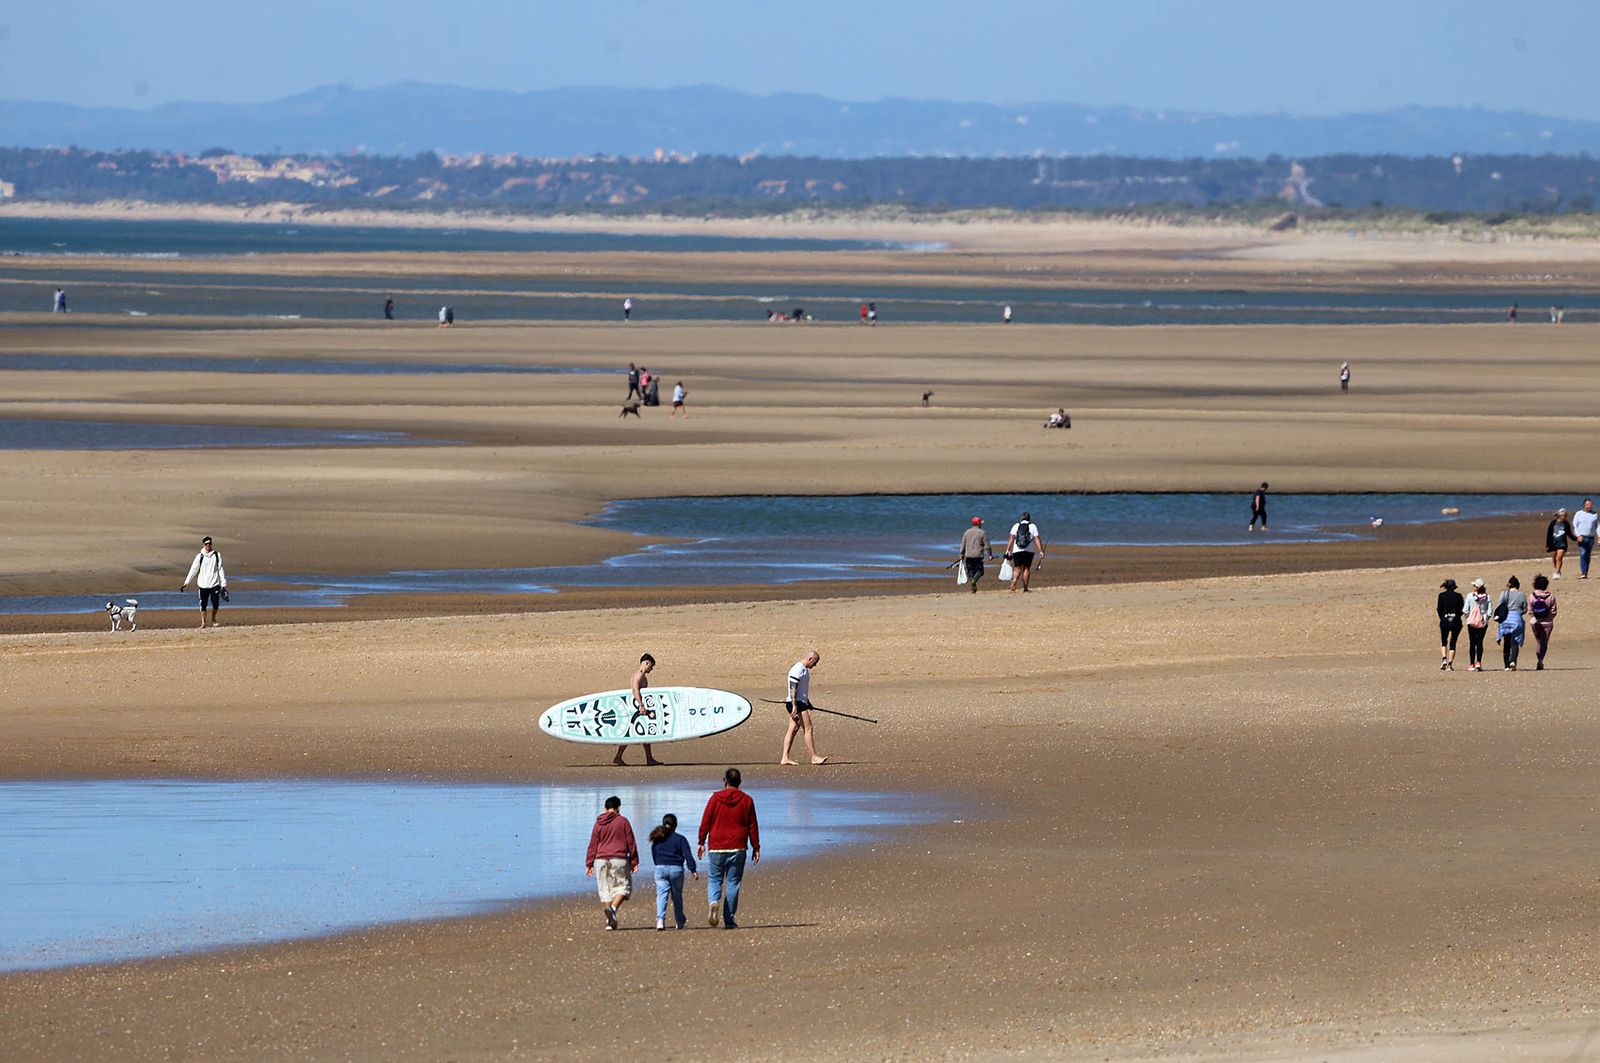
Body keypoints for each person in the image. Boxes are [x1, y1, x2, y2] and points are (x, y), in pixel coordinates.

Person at [697, 768, 760, 929]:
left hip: (717, 846)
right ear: (739, 781)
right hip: (738, 847)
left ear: (725, 780)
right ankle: (729, 919)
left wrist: (701, 842)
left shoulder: (715, 799)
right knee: (733, 883)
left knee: (715, 879)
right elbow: (752, 826)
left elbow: (706, 821)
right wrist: (756, 847)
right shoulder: (747, 800)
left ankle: (713, 901)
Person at [585, 795, 639, 931]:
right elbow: (630, 842)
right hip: (618, 858)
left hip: (600, 859)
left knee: (605, 889)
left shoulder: (598, 823)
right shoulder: (623, 821)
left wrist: (589, 863)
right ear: (618, 807)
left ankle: (610, 921)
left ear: (605, 808)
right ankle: (613, 910)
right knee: (623, 886)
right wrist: (634, 861)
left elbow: (593, 843)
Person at [648, 813, 698, 931]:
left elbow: (654, 854)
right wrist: (693, 870)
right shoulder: (680, 839)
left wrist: (658, 864)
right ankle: (679, 921)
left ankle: (660, 920)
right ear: (675, 826)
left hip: (660, 868)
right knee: (677, 895)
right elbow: (687, 855)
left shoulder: (657, 838)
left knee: (662, 894)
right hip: (676, 869)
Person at [612, 653, 663, 766]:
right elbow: (635, 690)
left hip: (639, 707)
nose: (651, 669)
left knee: (644, 733)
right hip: (636, 708)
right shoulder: (638, 675)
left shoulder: (641, 676)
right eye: (651, 666)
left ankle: (649, 759)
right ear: (646, 663)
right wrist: (641, 705)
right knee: (630, 734)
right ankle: (618, 757)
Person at [780, 650, 828, 765]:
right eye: (815, 662)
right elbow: (793, 688)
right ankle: (814, 757)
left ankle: (785, 758)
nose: (815, 665)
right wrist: (795, 706)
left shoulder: (804, 670)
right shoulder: (798, 669)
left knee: (793, 729)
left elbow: (801, 690)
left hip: (799, 703)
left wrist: (808, 702)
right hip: (796, 704)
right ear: (810, 659)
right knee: (808, 728)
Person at [179, 535, 228, 629]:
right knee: (203, 604)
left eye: (209, 543)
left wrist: (223, 583)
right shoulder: (199, 556)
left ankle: (213, 619)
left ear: (211, 544)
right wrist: (186, 582)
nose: (208, 545)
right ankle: (203, 622)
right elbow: (193, 569)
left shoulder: (217, 555)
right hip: (202, 585)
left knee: (215, 603)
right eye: (206, 544)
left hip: (215, 584)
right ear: (203, 545)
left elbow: (220, 569)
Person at [1005, 511, 1045, 592]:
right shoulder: (1033, 526)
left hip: (1017, 550)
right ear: (1029, 518)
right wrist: (1041, 550)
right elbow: (1037, 539)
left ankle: (1015, 579)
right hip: (1028, 551)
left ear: (1021, 518)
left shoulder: (1016, 526)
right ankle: (1025, 588)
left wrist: (1008, 549)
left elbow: (1011, 538)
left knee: (1017, 568)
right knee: (1026, 568)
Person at [1494, 575, 1527, 671]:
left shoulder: (1504, 593)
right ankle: (1513, 660)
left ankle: (1506, 665)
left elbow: (1499, 606)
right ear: (1518, 585)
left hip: (1505, 619)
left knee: (1506, 642)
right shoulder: (1522, 595)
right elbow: (1525, 609)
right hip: (1517, 619)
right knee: (1515, 642)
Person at [1528, 574, 1557, 670]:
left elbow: (1530, 611)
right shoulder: (1551, 596)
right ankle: (1540, 659)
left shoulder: (1532, 596)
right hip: (1547, 622)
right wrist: (1549, 617)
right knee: (1544, 643)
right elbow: (1554, 611)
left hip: (1535, 622)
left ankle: (1539, 658)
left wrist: (1534, 617)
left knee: (1538, 641)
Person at [957, 517, 993, 594]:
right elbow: (987, 545)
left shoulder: (967, 532)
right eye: (980, 523)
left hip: (968, 555)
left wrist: (961, 554)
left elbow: (963, 544)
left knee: (970, 572)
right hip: (978, 555)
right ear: (978, 523)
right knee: (980, 571)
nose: (981, 524)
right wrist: (990, 554)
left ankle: (973, 584)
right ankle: (974, 581)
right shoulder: (982, 532)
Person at [1464, 577, 1492, 672]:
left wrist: (1469, 617)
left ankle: (1471, 664)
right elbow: (1490, 611)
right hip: (1483, 622)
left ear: (1476, 587)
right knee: (1480, 642)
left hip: (1471, 622)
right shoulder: (1487, 597)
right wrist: (1485, 618)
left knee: (1472, 642)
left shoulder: (1470, 596)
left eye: (1474, 585)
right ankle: (1478, 662)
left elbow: (1465, 610)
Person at [1437, 578, 1464, 671]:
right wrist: (1456, 616)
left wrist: (1443, 617)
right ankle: (1450, 664)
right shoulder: (1458, 596)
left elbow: (1439, 609)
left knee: (1443, 641)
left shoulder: (1441, 595)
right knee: (1453, 642)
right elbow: (1462, 609)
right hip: (1456, 621)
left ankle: (1444, 658)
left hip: (1444, 620)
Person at [1544, 508, 1576, 579]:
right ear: (1559, 516)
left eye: (1566, 515)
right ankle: (1558, 570)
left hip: (1562, 544)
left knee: (1559, 558)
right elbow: (1549, 534)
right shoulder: (1553, 523)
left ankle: (1557, 572)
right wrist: (1548, 545)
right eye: (1564, 515)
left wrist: (1576, 539)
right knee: (1554, 558)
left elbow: (1569, 534)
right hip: (1554, 544)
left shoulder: (1566, 524)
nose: (1565, 517)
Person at [1573, 499, 1598, 579]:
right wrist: (1578, 535)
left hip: (1591, 537)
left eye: (1592, 504)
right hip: (1582, 537)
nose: (1592, 506)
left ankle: (1586, 571)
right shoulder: (1578, 514)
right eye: (1590, 504)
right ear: (1585, 505)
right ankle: (1583, 572)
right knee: (1583, 553)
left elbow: (1597, 526)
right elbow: (1575, 525)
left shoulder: (1594, 514)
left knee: (1587, 555)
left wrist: (1599, 536)